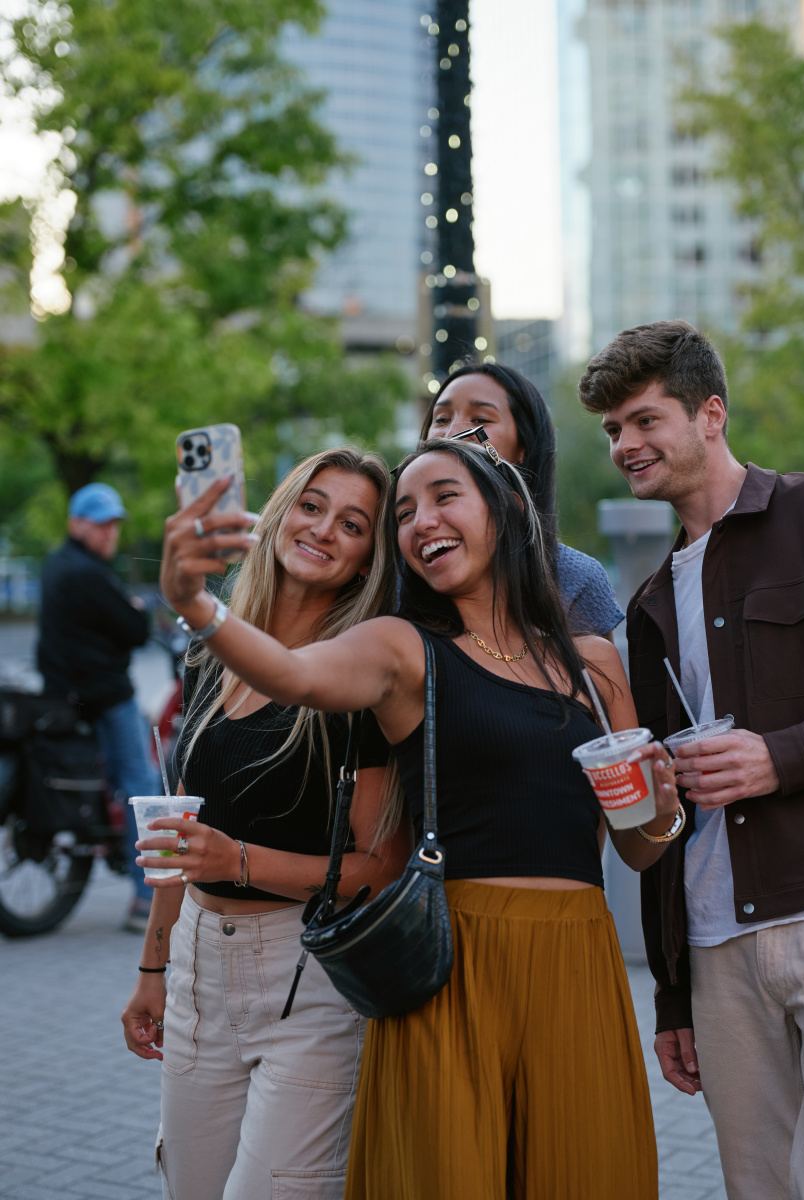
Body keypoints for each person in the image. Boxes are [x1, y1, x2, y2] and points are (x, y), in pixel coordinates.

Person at [157, 434, 683, 1199]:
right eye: (402, 512)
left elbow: (636, 849)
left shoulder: (594, 663)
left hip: (577, 963)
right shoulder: (404, 650)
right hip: (454, 970)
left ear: (503, 513)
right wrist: (197, 605)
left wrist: (662, 813)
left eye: (443, 496)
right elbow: (294, 672)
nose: (420, 520)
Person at [578, 319, 804, 1200]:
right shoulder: (645, 606)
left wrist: (781, 757)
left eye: (644, 421)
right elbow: (662, 818)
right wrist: (674, 994)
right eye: (612, 431)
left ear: (709, 413)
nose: (625, 446)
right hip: (717, 948)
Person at [120, 448, 410, 1200]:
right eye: (311, 506)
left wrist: (237, 859)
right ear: (280, 513)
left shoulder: (358, 672)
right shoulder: (211, 650)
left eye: (353, 524)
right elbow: (182, 834)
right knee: (189, 1187)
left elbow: (379, 867)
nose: (324, 529)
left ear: (364, 560)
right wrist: (154, 968)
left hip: (305, 978)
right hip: (195, 972)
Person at [422, 361, 624, 637]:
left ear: (523, 447)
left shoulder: (575, 578)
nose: (452, 432)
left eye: (480, 420)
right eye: (441, 419)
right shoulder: (395, 569)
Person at [37, 481, 158, 930]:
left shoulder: (57, 566)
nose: (110, 534)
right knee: (142, 788)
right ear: (76, 524)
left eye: (114, 525)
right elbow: (134, 628)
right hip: (106, 697)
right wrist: (134, 609)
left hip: (64, 697)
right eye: (101, 524)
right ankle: (146, 900)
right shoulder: (89, 574)